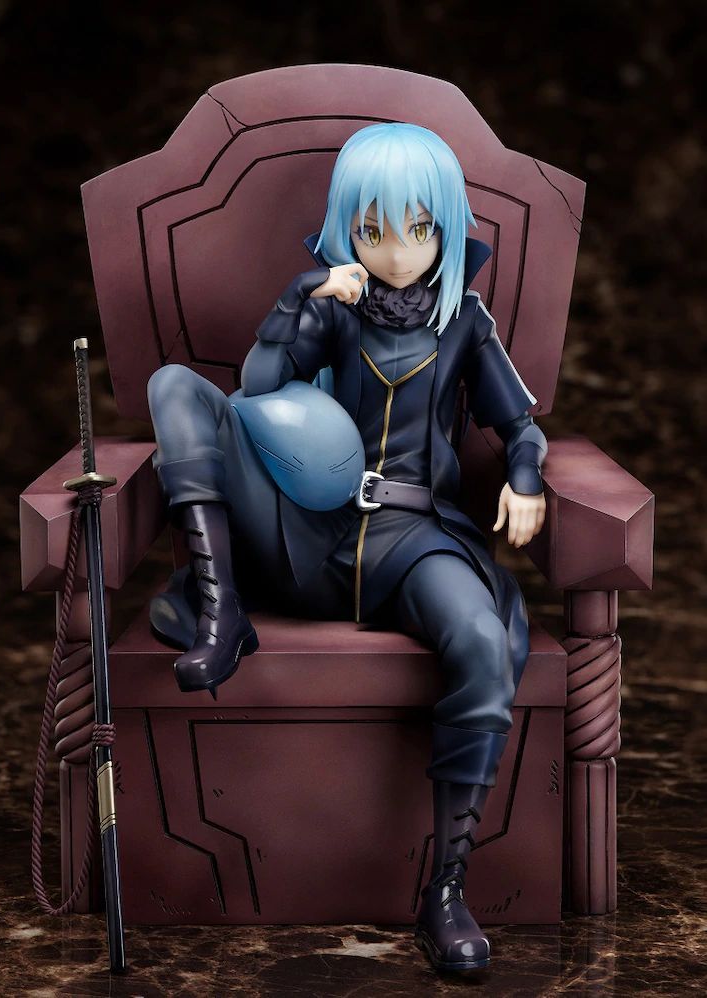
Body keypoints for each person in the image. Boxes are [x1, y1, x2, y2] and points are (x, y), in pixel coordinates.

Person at [146, 122, 547, 973]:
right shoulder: (332, 307)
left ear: (445, 227)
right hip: (307, 534)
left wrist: (525, 478)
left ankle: (446, 891)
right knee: (176, 386)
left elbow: (520, 425)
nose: (397, 250)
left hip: (415, 540)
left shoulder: (465, 321)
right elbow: (257, 391)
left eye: (419, 228)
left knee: (481, 639)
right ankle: (221, 611)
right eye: (373, 230)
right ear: (348, 230)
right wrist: (301, 298)